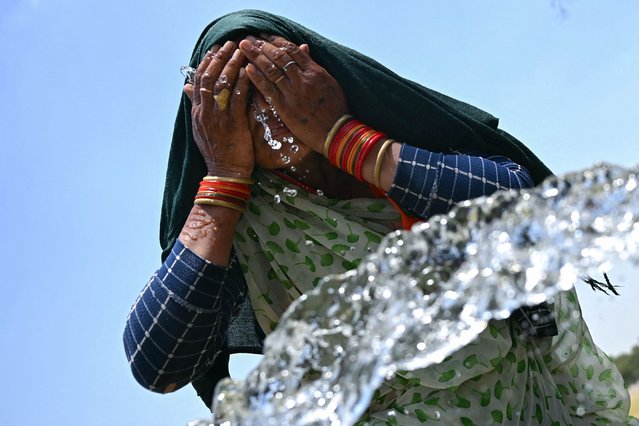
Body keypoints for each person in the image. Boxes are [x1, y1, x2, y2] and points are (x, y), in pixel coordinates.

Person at [123, 10, 635, 424]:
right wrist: (223, 181)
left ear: (314, 70)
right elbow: (158, 364)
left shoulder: (386, 136)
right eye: (235, 94)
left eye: (275, 76)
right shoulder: (251, 227)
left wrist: (345, 139)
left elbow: (525, 206)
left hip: (538, 389)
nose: (264, 107)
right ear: (207, 120)